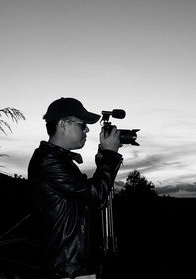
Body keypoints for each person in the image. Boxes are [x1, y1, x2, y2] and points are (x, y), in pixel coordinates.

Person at [28, 97, 122, 279]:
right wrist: (110, 155)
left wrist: (104, 159)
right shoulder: (49, 162)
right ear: (63, 124)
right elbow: (95, 195)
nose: (87, 129)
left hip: (73, 267)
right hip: (68, 270)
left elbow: (86, 201)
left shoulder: (57, 160)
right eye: (82, 124)